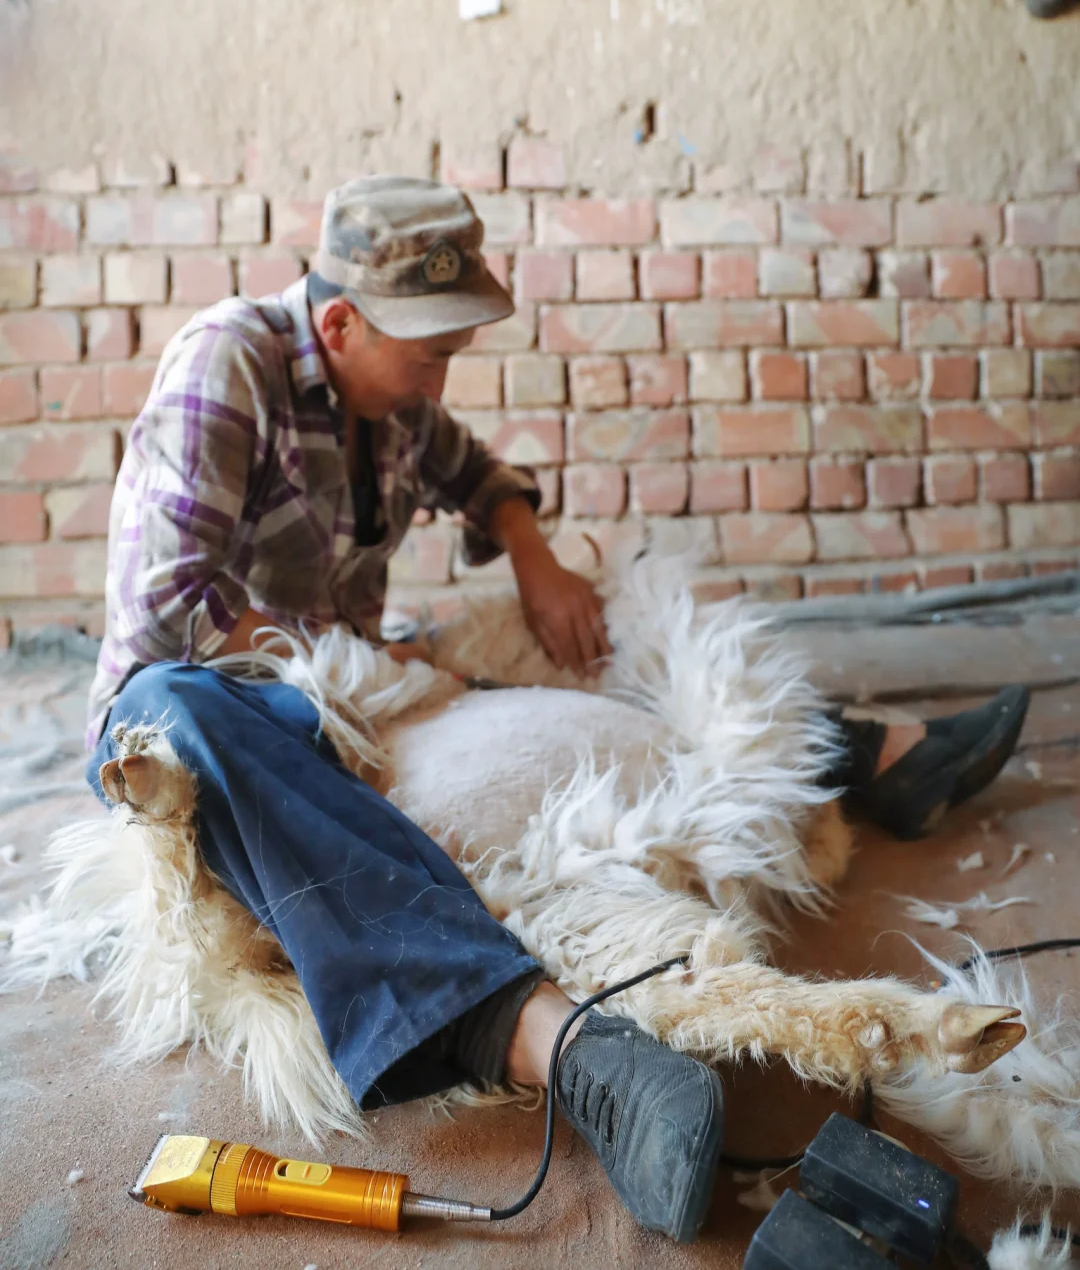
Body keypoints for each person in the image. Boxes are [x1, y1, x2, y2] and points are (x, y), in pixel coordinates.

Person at [85, 177, 1030, 1245]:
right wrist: (358, 662)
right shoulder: (227, 364)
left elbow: (480, 473)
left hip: (365, 683)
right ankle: (554, 1041)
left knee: (585, 605)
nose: (445, 373)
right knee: (178, 705)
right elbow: (169, 608)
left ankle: (865, 754)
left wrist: (533, 558)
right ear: (338, 321)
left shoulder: (389, 397)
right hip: (228, 701)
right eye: (430, 351)